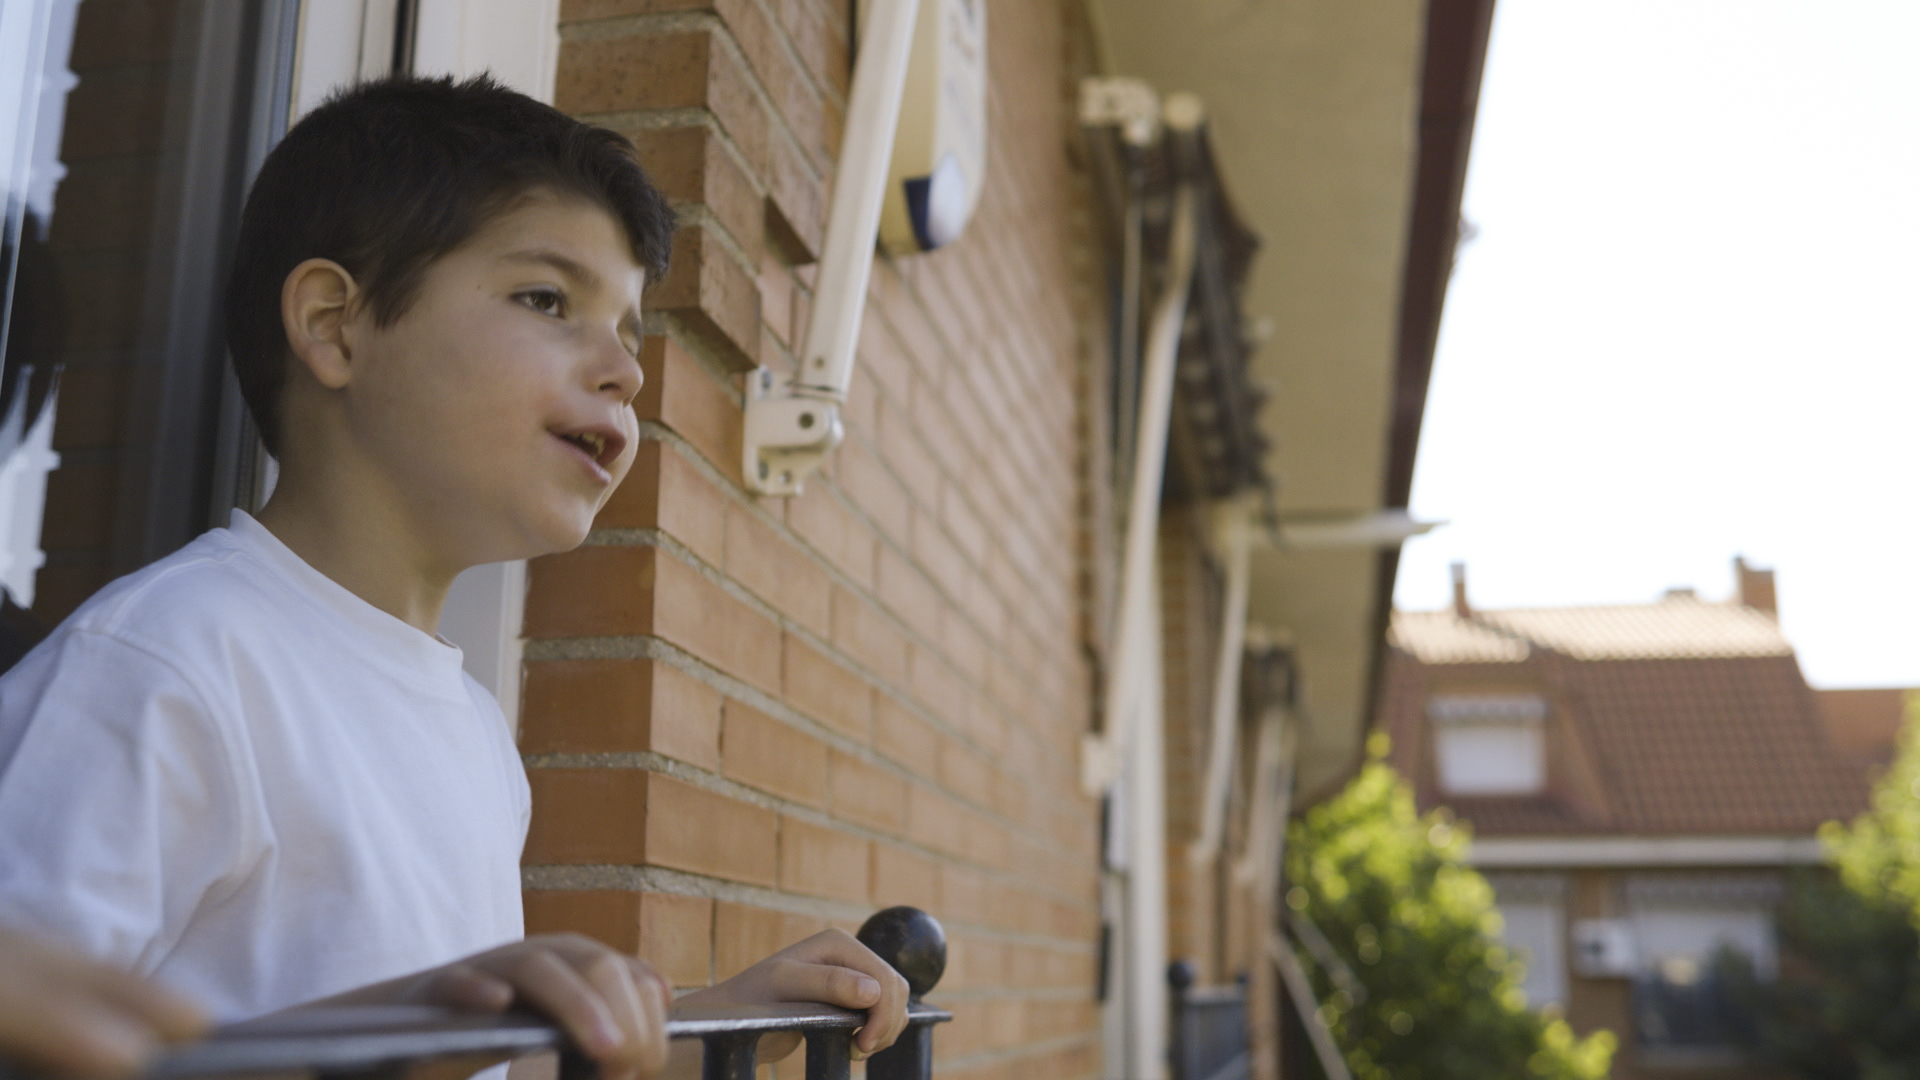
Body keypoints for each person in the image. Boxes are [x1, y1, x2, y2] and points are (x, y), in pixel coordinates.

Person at [0, 75, 906, 1080]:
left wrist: (709, 1025)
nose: (624, 370)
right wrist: (399, 1036)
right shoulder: (166, 664)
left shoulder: (474, 731)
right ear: (337, 325)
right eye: (546, 299)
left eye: (629, 332)